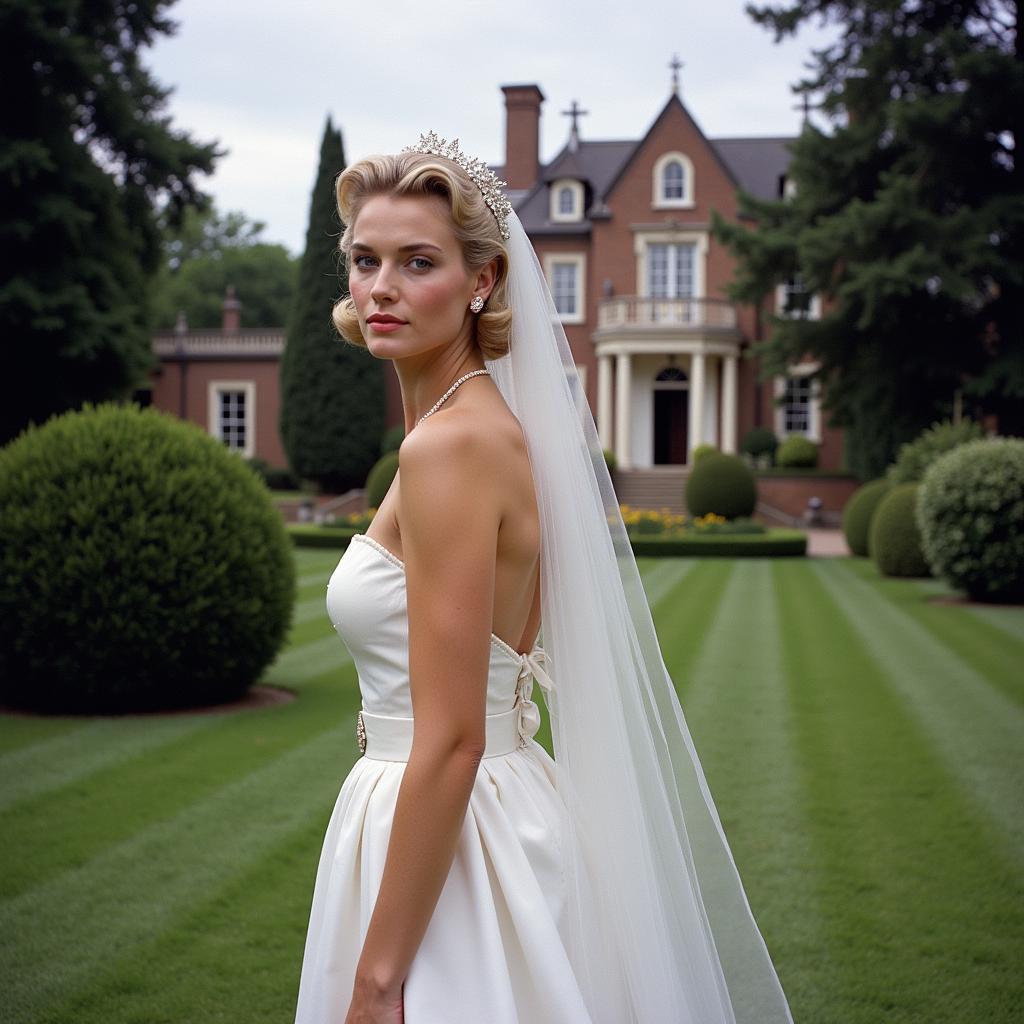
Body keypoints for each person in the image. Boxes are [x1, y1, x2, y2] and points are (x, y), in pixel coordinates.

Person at [293, 134, 794, 1024]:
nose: (381, 287)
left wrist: (376, 982)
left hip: (456, 843)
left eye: (418, 262)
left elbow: (451, 742)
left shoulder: (450, 446)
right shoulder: (480, 424)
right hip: (485, 806)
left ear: (482, 280)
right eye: (365, 261)